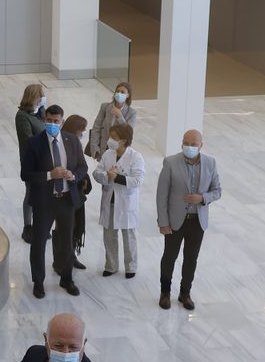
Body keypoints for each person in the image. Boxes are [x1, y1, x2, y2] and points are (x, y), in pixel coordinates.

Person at [23, 105, 88, 298]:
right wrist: (49, 175)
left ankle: (66, 279)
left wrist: (73, 175)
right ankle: (38, 282)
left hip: (66, 199)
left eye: (56, 121)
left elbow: (83, 167)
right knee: (39, 242)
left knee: (67, 241)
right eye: (49, 121)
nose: (52, 124)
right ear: (45, 120)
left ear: (62, 121)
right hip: (45, 201)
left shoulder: (72, 140)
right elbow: (25, 174)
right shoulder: (35, 143)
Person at [155, 130, 221, 311]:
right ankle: (165, 292)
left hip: (197, 221)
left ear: (201, 145)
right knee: (169, 257)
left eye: (193, 144)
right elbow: (162, 195)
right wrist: (163, 222)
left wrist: (202, 198)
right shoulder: (170, 163)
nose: (189, 146)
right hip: (176, 220)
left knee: (191, 259)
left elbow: (217, 190)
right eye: (186, 142)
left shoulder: (210, 163)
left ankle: (185, 293)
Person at [93, 122, 144, 279]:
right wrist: (106, 175)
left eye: (114, 137)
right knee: (109, 235)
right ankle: (111, 265)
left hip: (126, 203)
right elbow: (96, 173)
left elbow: (137, 180)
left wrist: (118, 177)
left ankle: (131, 267)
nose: (110, 140)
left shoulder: (135, 157)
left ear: (124, 140)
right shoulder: (108, 154)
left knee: (128, 237)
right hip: (110, 201)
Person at [15, 83, 48, 244]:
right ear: (34, 96)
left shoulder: (39, 113)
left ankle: (39, 225)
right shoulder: (22, 116)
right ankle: (27, 227)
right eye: (41, 95)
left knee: (42, 194)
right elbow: (27, 140)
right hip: (31, 161)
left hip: (44, 161)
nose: (43, 98)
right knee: (30, 193)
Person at [63, 115, 92, 270]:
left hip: (78, 193)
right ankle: (62, 260)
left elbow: (83, 167)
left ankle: (72, 256)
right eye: (82, 130)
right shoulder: (64, 145)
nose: (83, 133)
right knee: (66, 229)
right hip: (67, 193)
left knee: (77, 227)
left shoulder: (77, 145)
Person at [89, 82, 137, 157]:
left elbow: (129, 133)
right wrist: (94, 147)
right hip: (104, 148)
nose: (119, 93)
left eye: (122, 92)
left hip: (119, 149)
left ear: (128, 95)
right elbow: (96, 128)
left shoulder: (132, 113)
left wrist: (120, 116)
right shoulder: (105, 107)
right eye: (117, 91)